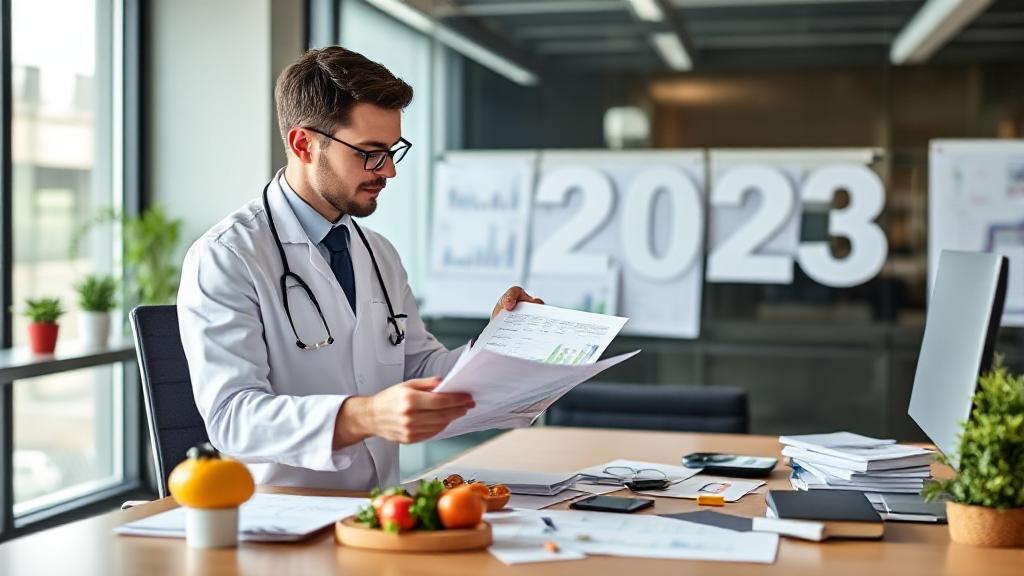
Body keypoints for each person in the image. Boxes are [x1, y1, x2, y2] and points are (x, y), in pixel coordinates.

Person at [177, 46, 541, 490]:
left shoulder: (378, 252)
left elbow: (418, 369)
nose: (387, 171)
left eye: (392, 151)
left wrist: (499, 344)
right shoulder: (228, 257)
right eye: (370, 152)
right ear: (303, 144)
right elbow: (233, 417)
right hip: (283, 523)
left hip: (381, 513)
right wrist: (365, 415)